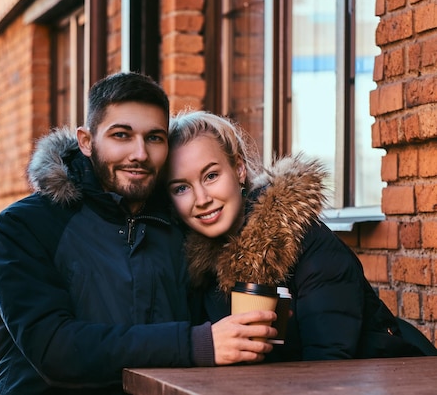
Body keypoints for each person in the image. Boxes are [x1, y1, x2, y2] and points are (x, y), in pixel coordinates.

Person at [0, 73, 277, 395]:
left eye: (154, 137)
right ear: (86, 141)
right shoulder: (24, 226)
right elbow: (55, 349)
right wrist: (196, 344)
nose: (139, 153)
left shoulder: (182, 223)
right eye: (122, 135)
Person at [166, 110, 426, 361]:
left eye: (211, 176)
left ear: (239, 169)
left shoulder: (306, 242)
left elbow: (328, 363)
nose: (202, 199)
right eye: (181, 188)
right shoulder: (197, 268)